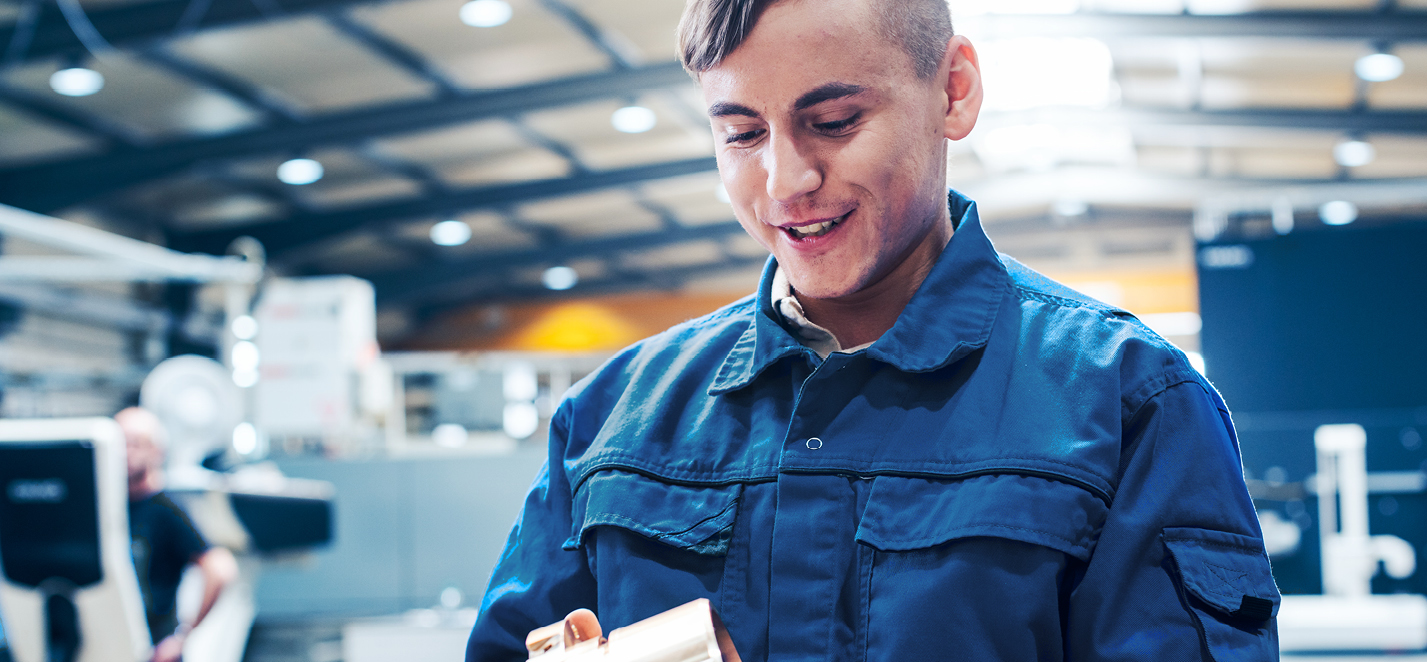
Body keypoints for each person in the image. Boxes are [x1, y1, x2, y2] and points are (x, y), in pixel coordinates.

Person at [467, 0, 1279, 659]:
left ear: (953, 90)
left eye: (834, 120)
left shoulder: (1130, 403)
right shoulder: (610, 420)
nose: (785, 181)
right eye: (742, 134)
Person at [117, 407, 240, 662]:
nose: (126, 452)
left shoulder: (167, 510)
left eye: (136, 443)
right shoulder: (108, 509)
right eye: (120, 443)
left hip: (154, 650)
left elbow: (220, 569)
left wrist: (183, 637)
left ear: (157, 451)